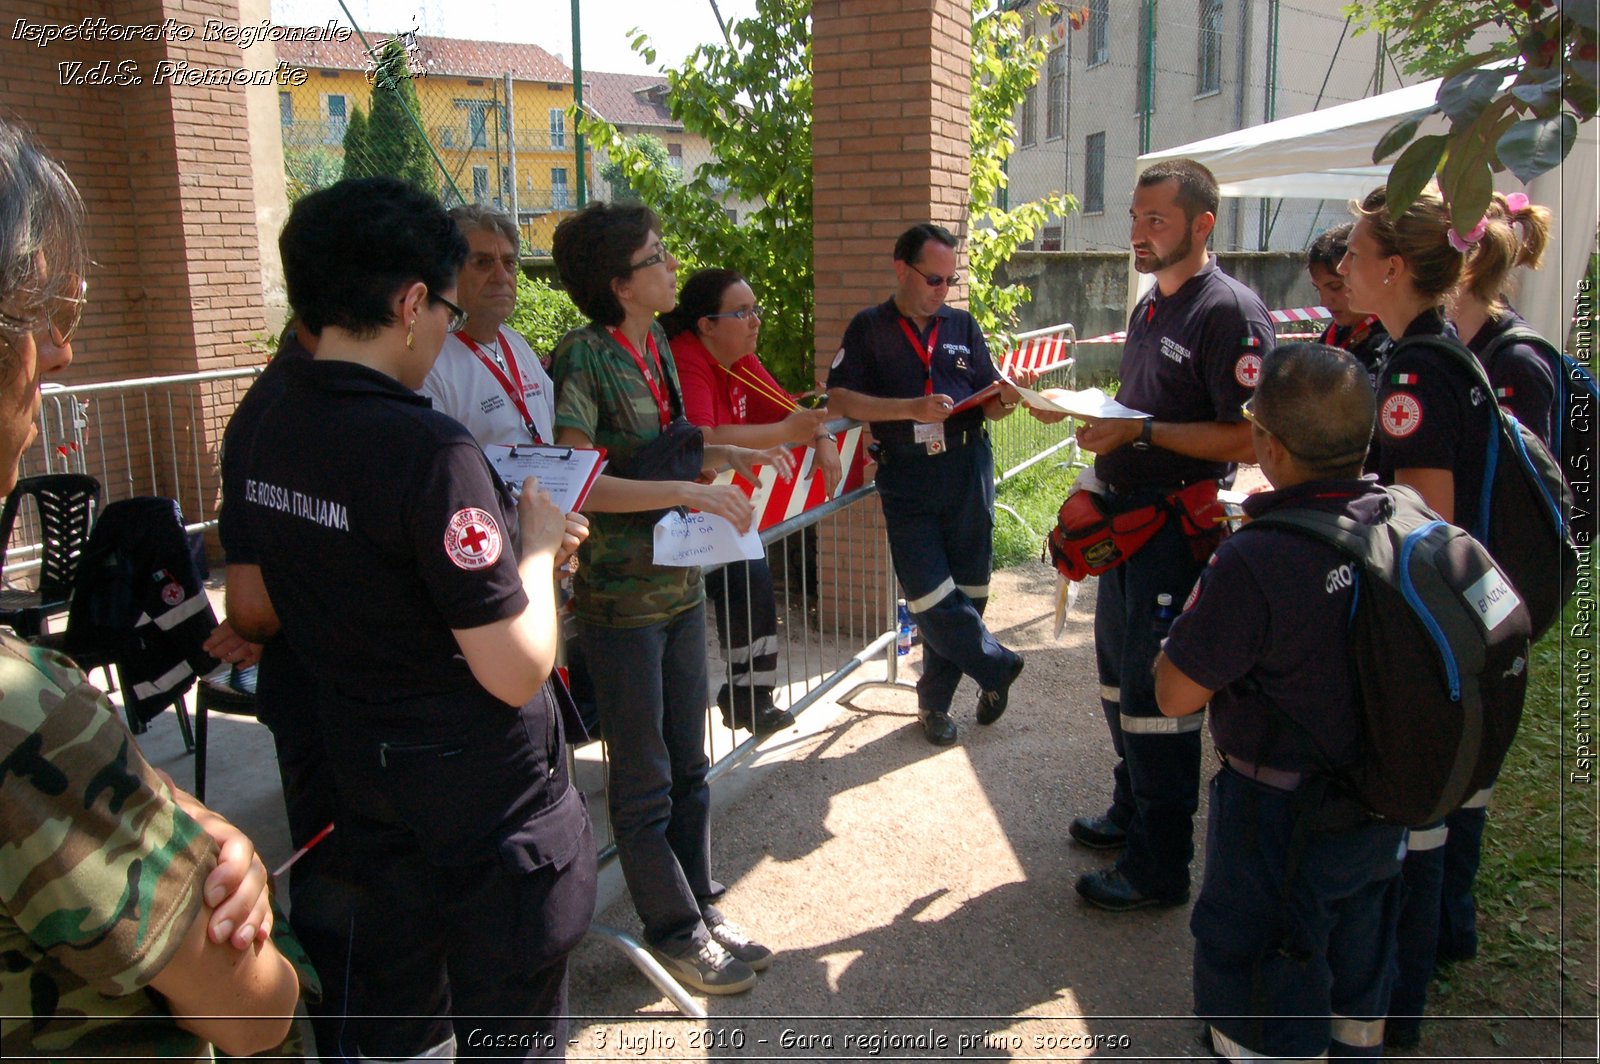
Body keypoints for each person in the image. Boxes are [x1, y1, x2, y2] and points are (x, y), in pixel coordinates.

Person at [226, 176, 596, 1059]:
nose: (441, 331)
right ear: (408, 301)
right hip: (480, 812)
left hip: (366, 790)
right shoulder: (428, 450)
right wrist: (538, 549)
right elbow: (513, 667)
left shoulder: (271, 420)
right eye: (439, 308)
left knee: (405, 1030)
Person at [0, 117, 297, 1058]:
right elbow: (254, 1009)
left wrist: (171, 816)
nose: (61, 356)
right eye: (45, 318)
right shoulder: (26, 717)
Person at [550, 202, 794, 995]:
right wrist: (690, 485)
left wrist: (727, 457)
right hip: (621, 602)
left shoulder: (654, 341)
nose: (671, 266)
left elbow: (682, 442)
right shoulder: (583, 359)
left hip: (680, 586)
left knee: (691, 762)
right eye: (656, 257)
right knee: (646, 774)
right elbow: (579, 480)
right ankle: (674, 928)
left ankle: (701, 903)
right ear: (619, 282)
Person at [1155, 341, 1404, 1061]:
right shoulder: (1405, 520)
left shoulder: (1258, 558)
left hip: (1278, 823)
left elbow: (1174, 694)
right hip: (1382, 807)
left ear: (1269, 445)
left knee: (1260, 1002)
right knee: (1356, 994)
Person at [1069, 159, 1275, 912]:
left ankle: (1160, 866)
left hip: (1175, 534)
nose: (1137, 233)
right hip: (1125, 524)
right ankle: (1132, 813)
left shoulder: (1230, 313)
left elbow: (1251, 441)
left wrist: (1143, 430)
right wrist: (1098, 466)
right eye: (1134, 217)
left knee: (1160, 697)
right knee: (1119, 683)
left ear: (1202, 224)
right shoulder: (1151, 305)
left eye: (1155, 220)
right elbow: (1134, 410)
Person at [1336, 181, 1486, 1049]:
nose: (1344, 267)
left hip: (1428, 636)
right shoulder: (1428, 349)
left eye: (1356, 255)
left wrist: (1331, 512)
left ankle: (1393, 1014)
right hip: (1449, 627)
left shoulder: (1418, 368)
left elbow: (1425, 521)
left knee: (1415, 822)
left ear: (1394, 268)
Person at [210, 317, 363, 1061]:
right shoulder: (281, 414)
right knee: (336, 895)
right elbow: (251, 603)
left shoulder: (327, 403)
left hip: (345, 697)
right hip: (319, 699)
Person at [825, 223, 1029, 747]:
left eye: (949, 279)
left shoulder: (962, 325)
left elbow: (989, 400)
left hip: (966, 468)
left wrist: (1005, 399)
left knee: (970, 592)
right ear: (902, 269)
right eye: (934, 279)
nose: (943, 289)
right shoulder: (869, 328)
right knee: (929, 595)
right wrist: (909, 409)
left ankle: (935, 705)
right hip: (908, 474)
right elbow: (842, 400)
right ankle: (995, 667)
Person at [662, 267, 839, 735]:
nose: (756, 321)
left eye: (755, 310)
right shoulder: (688, 357)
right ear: (706, 324)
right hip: (672, 505)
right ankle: (742, 699)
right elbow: (704, 437)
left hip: (709, 503)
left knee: (751, 571)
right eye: (742, 313)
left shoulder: (738, 355)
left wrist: (821, 435)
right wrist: (791, 431)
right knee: (746, 572)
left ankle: (749, 697)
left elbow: (790, 410)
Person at [1307, 222, 1388, 384]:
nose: (1324, 302)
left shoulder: (1389, 337)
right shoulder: (1337, 331)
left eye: (1335, 287)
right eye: (1318, 289)